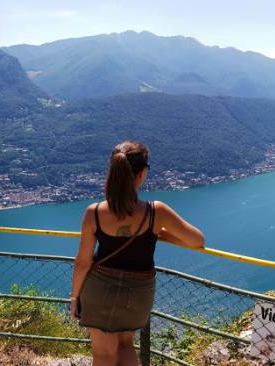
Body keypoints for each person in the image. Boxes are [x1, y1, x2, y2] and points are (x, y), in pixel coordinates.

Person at [70, 141, 205, 366]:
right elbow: (197, 240)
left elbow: (83, 261)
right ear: (142, 174)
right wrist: (158, 233)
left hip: (100, 288)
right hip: (138, 291)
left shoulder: (93, 213)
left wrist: (75, 297)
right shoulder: (156, 212)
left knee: (103, 354)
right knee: (126, 345)